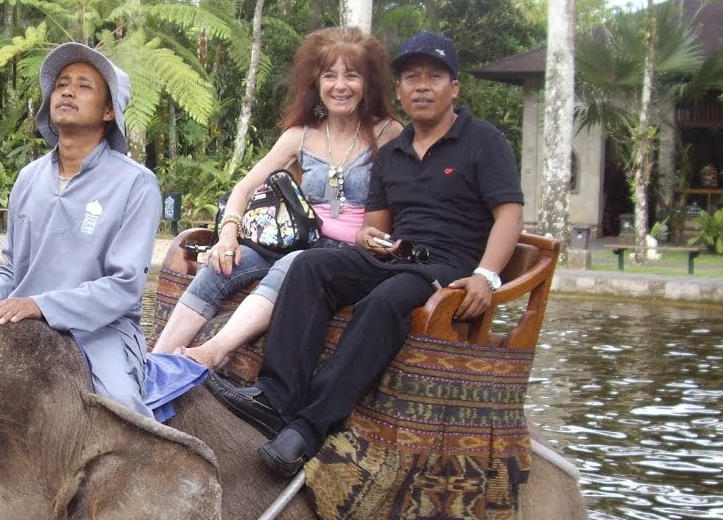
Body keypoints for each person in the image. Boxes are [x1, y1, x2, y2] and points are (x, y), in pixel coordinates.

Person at [207, 31, 525, 477]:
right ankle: (276, 397)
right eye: (411, 77)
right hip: (396, 256)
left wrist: (487, 276)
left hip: (449, 266)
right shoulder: (392, 150)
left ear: (454, 87)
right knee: (310, 264)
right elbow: (374, 226)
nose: (421, 86)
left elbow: (509, 214)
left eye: (434, 76)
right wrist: (366, 239)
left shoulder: (482, 141)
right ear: (398, 89)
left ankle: (308, 428)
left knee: (387, 299)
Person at [150, 27, 402, 367]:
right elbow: (243, 189)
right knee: (221, 267)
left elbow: (406, 200)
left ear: (368, 82)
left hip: (350, 253)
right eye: (330, 75)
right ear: (316, 82)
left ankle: (213, 352)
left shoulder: (388, 133)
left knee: (294, 265)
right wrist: (227, 237)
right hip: (296, 239)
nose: (340, 86)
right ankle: (156, 361)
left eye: (351, 76)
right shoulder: (300, 136)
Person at [0, 42, 162, 417]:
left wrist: (40, 304)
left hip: (101, 333)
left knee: (120, 410)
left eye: (84, 85)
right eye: (61, 84)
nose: (67, 91)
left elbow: (124, 288)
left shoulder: (136, 184)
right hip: (20, 320)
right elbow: (11, 272)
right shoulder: (28, 178)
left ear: (109, 111)